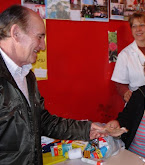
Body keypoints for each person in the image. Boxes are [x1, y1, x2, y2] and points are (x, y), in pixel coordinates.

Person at [0, 5, 106, 164]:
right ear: (15, 33)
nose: (42, 46)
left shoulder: (26, 75)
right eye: (39, 37)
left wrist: (86, 129)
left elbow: (41, 121)